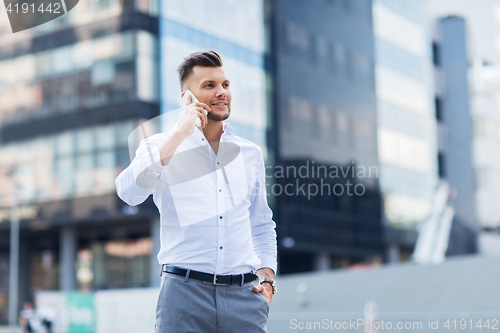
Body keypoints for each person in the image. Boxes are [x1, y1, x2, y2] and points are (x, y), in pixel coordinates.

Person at [115, 50, 277, 333]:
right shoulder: (160, 145)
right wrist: (180, 132)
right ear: (187, 98)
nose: (221, 92)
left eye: (225, 85)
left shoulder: (250, 153)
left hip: (244, 300)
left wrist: (267, 280)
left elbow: (261, 223)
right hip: (183, 297)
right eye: (209, 85)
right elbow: (129, 192)